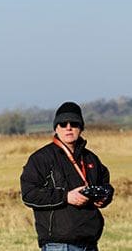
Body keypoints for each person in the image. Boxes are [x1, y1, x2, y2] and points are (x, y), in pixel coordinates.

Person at [20, 102, 114, 251]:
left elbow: (106, 185)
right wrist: (66, 197)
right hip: (59, 244)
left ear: (81, 128)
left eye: (74, 123)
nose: (68, 127)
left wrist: (105, 196)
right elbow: (29, 195)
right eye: (63, 124)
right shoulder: (41, 158)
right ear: (56, 128)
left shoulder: (91, 158)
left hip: (90, 243)